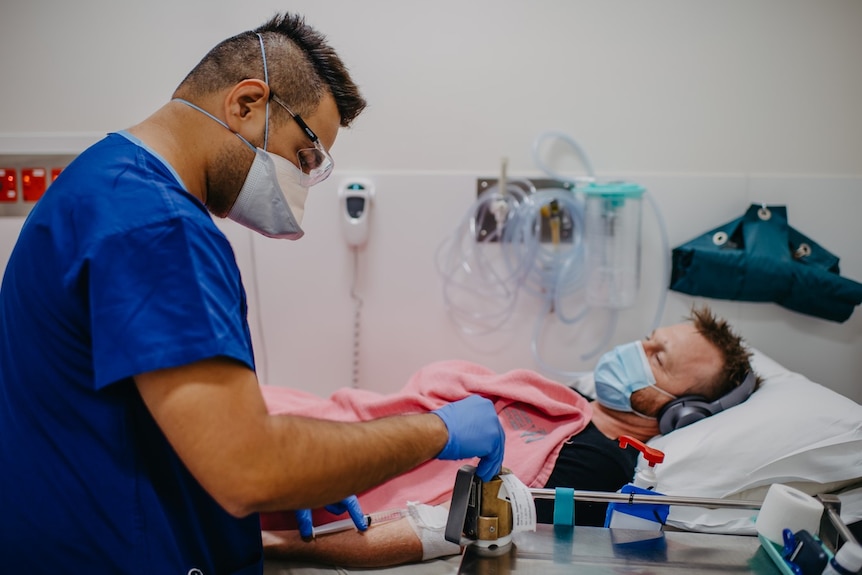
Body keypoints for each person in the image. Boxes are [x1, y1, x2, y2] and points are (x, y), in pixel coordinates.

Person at [0, 13, 505, 575]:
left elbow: (141, 413)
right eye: (304, 154)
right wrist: (436, 430)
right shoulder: (158, 228)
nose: (301, 180)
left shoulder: (99, 182)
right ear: (245, 103)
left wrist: (311, 472)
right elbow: (248, 467)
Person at [260, 305, 759, 568]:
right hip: (313, 422)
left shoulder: (596, 468)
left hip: (324, 484)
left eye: (657, 358)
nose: (635, 349)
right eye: (648, 339)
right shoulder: (560, 398)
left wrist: (272, 545)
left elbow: (445, 529)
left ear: (682, 412)